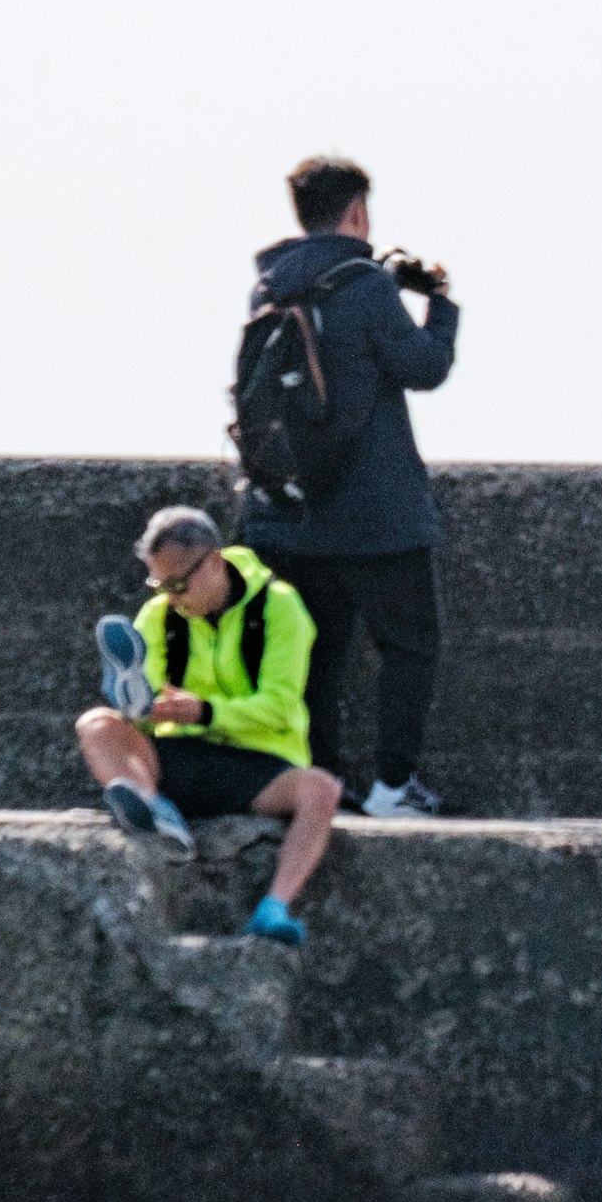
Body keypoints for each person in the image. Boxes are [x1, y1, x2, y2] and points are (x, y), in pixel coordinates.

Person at [236, 155, 460, 819]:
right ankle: (394, 786)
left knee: (314, 655)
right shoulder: (367, 286)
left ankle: (322, 779)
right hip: (376, 515)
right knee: (409, 645)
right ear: (358, 211)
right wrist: (439, 302)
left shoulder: (269, 284)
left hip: (287, 512)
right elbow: (423, 367)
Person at [79, 507, 345, 943]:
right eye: (160, 585)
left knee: (321, 790)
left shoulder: (280, 607)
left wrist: (206, 711)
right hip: (180, 753)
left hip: (260, 761)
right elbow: (148, 711)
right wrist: (144, 710)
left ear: (215, 561)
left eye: (179, 583)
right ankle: (152, 810)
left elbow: (280, 705)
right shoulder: (158, 615)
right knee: (96, 724)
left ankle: (274, 907)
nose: (172, 596)